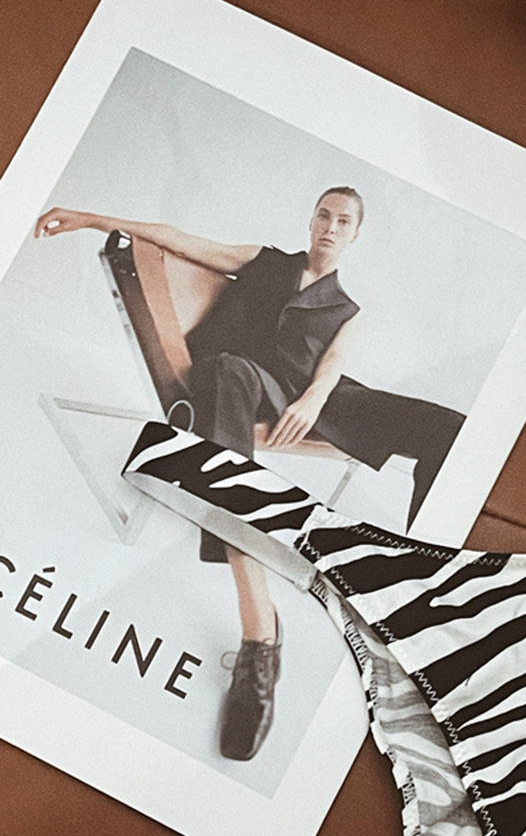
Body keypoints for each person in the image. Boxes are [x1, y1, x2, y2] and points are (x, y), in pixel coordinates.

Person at [35, 189, 464, 761]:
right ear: (310, 220)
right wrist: (90, 217)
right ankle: (259, 631)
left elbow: (334, 364)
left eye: (343, 222)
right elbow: (178, 239)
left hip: (318, 401)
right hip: (244, 385)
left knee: (450, 431)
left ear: (355, 235)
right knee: (227, 371)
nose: (330, 227)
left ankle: (422, 591)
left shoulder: (347, 310)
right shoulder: (264, 262)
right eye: (324, 215)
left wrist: (313, 399)